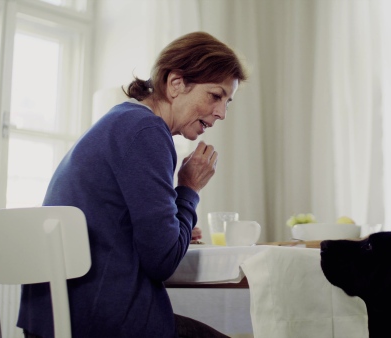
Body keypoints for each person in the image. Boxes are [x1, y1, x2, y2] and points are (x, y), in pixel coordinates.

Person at [17, 31, 247, 338]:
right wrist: (189, 189)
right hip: (101, 323)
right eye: (215, 95)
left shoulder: (122, 120)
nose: (221, 113)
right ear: (176, 83)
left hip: (52, 321)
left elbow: (138, 235)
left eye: (227, 102)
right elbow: (162, 262)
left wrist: (173, 229)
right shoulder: (146, 131)